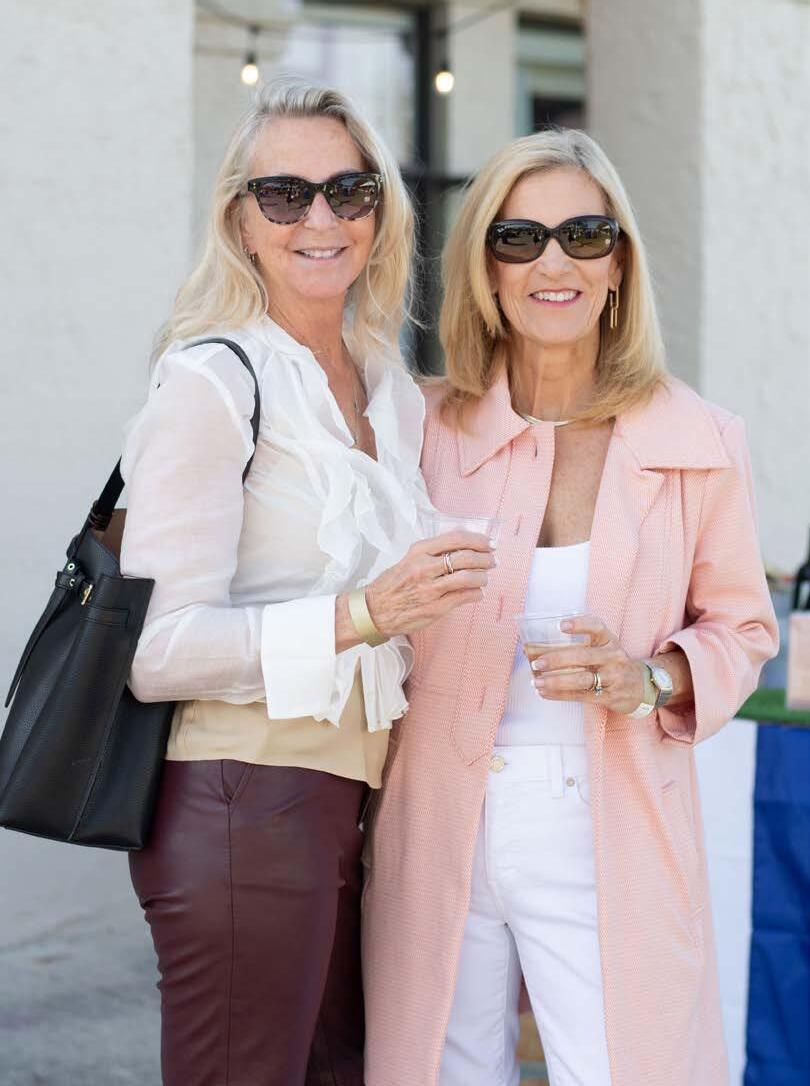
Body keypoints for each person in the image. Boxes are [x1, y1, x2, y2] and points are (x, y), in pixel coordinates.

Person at [361, 129, 779, 1086]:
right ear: (487, 271)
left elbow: (743, 627)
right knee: (438, 1067)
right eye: (520, 239)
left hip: (610, 814)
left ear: (618, 264)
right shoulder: (423, 430)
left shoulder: (698, 439)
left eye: (584, 236)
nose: (554, 263)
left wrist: (649, 678)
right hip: (436, 814)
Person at [120, 77, 494, 1086]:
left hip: (356, 811)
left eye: (348, 190)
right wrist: (365, 613)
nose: (320, 219)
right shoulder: (213, 382)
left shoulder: (389, 390)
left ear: (382, 210)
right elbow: (158, 651)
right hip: (242, 796)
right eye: (284, 194)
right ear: (240, 221)